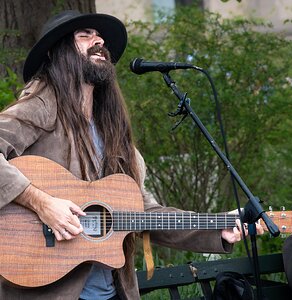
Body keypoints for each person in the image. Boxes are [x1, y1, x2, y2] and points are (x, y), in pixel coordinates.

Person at [0, 10, 263, 300]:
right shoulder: (40, 107)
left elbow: (143, 213)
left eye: (99, 36)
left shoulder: (112, 130)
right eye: (84, 35)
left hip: (113, 292)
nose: (98, 40)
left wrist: (216, 228)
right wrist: (43, 203)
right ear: (56, 52)